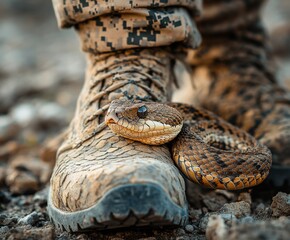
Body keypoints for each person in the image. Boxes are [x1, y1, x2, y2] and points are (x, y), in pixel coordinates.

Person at [48, 0, 290, 231]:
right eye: (115, 110)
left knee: (230, 37)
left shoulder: (180, 125)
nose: (116, 115)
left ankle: (226, 63)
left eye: (140, 113)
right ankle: (123, 47)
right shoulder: (168, 123)